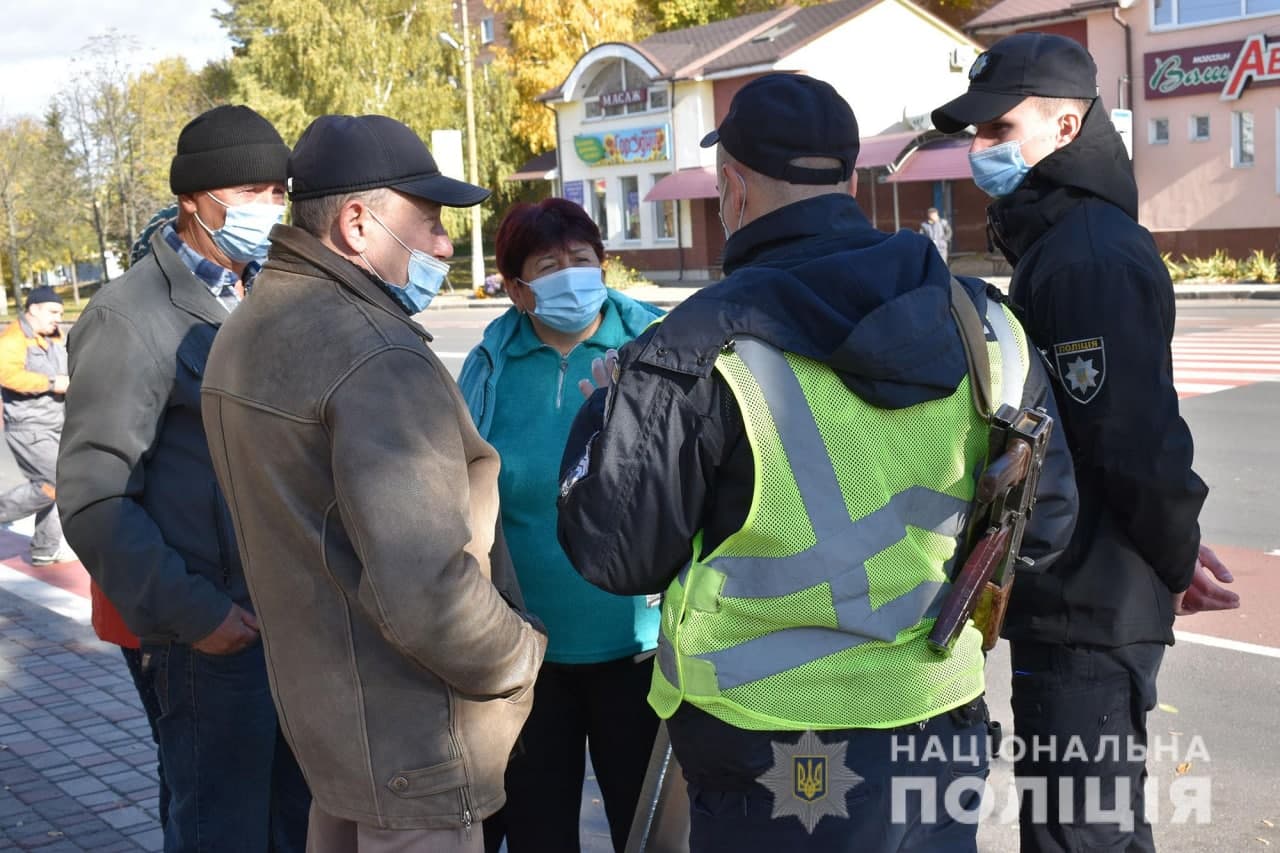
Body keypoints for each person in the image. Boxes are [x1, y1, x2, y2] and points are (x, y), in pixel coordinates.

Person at [557, 73, 1078, 853]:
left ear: (732, 189)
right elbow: (1044, 529)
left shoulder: (695, 347)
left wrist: (608, 408)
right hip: (937, 727)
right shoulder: (985, 319)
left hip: (773, 754)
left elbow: (615, 549)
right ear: (849, 178)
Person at [200, 113, 547, 853]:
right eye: (428, 223)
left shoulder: (251, 325)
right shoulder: (375, 354)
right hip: (414, 747)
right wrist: (520, 655)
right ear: (358, 224)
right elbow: (428, 592)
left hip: (337, 735)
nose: (446, 245)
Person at [932, 32, 1240, 852]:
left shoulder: (1086, 257)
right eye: (977, 134)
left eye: (999, 131)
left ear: (1066, 129)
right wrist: (1176, 552)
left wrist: (1176, 560)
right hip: (1077, 601)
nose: (980, 150)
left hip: (1088, 611)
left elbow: (1135, 446)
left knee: (1083, 837)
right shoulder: (1058, 244)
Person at [57, 104, 309, 852]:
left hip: (290, 622)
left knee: (294, 823)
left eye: (276, 190)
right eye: (249, 191)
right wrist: (196, 614)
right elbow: (96, 495)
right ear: (193, 201)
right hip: (209, 636)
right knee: (219, 827)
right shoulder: (129, 317)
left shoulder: (273, 291)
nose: (267, 208)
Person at [457, 198, 664, 853]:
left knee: (646, 827)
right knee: (540, 830)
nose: (572, 275)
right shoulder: (489, 367)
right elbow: (462, 491)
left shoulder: (652, 348)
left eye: (583, 259)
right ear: (517, 288)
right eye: (550, 264)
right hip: (527, 652)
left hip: (638, 647)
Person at [0, 286, 73, 565]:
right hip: (28, 426)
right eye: (53, 312)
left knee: (60, 482)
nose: (57, 318)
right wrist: (52, 383)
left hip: (56, 422)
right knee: (52, 482)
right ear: (34, 309)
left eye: (61, 313)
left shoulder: (54, 336)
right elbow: (7, 376)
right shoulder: (12, 339)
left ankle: (45, 548)